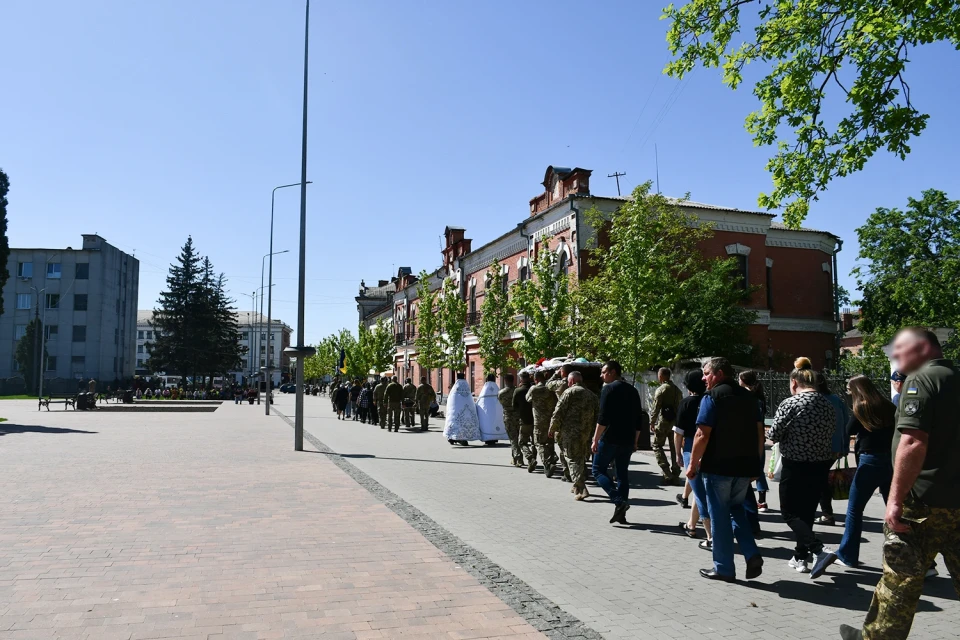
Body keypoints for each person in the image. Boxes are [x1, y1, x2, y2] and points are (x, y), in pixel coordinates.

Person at [840, 328, 960, 640]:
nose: (895, 357)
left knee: (900, 579)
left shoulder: (922, 380)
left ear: (922, 349)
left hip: (921, 503)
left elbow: (913, 442)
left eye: (900, 350)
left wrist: (894, 500)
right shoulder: (955, 378)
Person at [686, 357, 764, 582]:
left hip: (719, 467)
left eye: (707, 373)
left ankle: (723, 568)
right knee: (737, 509)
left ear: (719, 374)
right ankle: (751, 553)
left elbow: (702, 434)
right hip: (744, 466)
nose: (703, 378)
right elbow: (760, 434)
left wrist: (692, 465)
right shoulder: (750, 398)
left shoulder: (712, 397)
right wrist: (756, 465)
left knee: (719, 516)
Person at [811, 375, 895, 579]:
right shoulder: (888, 406)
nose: (848, 393)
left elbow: (846, 432)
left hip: (868, 463)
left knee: (854, 510)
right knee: (894, 509)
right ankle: (921, 559)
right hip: (890, 462)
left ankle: (848, 554)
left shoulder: (861, 409)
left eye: (849, 389)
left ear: (858, 390)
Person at [767, 357, 836, 574]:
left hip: (794, 465)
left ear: (795, 383)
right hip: (820, 464)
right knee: (806, 513)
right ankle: (800, 557)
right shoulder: (827, 404)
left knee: (789, 513)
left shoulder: (791, 403)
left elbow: (774, 435)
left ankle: (818, 549)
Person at [592, 361, 641, 525]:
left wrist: (595, 438)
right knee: (622, 474)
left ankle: (618, 500)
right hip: (627, 439)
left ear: (613, 372)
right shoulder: (633, 390)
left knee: (598, 470)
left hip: (610, 438)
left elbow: (603, 417)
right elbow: (639, 419)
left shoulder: (609, 388)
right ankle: (621, 514)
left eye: (603, 371)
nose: (601, 375)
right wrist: (635, 440)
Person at [549, 371, 598, 500]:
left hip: (570, 432)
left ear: (571, 381)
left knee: (571, 458)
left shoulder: (569, 392)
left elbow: (558, 412)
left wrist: (552, 428)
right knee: (580, 458)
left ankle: (581, 487)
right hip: (586, 432)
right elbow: (597, 416)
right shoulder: (592, 395)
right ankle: (576, 485)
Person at [676, 371, 711, 549]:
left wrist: (677, 453)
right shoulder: (711, 400)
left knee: (700, 493)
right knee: (699, 490)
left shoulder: (687, 402)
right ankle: (691, 525)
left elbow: (678, 432)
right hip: (711, 448)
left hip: (692, 447)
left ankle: (710, 536)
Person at [816, 375, 851, 526]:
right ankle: (826, 513)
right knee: (821, 479)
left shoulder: (815, 400)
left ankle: (826, 514)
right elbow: (845, 424)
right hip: (835, 447)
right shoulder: (836, 400)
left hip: (819, 448)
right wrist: (844, 447)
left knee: (820, 481)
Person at [738, 370, 770, 512]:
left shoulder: (746, 397)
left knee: (747, 469)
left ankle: (750, 502)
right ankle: (761, 499)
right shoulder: (759, 397)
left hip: (748, 437)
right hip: (759, 436)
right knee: (758, 468)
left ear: (743, 380)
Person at [651, 367, 684, 485]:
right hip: (675, 423)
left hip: (663, 422)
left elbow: (656, 407)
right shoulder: (677, 390)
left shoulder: (661, 390)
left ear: (661, 376)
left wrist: (652, 422)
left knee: (656, 445)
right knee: (674, 447)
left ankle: (666, 472)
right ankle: (675, 473)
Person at [527, 371, 559, 476]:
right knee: (549, 441)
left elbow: (528, 399)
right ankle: (553, 458)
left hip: (539, 421)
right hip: (550, 420)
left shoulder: (534, 389)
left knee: (540, 443)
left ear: (536, 380)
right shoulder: (550, 388)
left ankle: (548, 464)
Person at [547, 366, 572, 481]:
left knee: (563, 448)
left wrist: (555, 374)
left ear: (563, 372)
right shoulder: (580, 384)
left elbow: (548, 384)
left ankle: (567, 473)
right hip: (577, 419)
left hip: (562, 419)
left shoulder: (559, 383)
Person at [443, 373, 480, 445]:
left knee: (456, 421)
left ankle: (453, 437)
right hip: (468, 409)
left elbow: (451, 399)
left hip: (456, 409)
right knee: (465, 422)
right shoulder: (467, 386)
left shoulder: (455, 387)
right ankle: (462, 438)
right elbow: (469, 398)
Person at [499, 374, 524, 466]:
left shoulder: (501, 393)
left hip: (508, 416)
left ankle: (518, 457)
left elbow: (501, 402)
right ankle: (514, 458)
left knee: (513, 438)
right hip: (518, 416)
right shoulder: (517, 391)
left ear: (505, 380)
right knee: (518, 438)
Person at [513, 371, 535, 468]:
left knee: (522, 442)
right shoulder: (534, 389)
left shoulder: (518, 391)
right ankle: (534, 459)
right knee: (535, 443)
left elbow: (514, 406)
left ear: (521, 379)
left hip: (524, 419)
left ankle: (530, 458)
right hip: (536, 419)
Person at [476, 374, 506, 445]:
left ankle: (488, 438)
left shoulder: (485, 389)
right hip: (496, 410)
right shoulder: (496, 388)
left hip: (487, 412)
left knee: (488, 423)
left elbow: (480, 401)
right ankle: (495, 437)